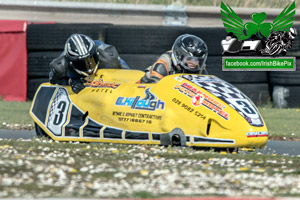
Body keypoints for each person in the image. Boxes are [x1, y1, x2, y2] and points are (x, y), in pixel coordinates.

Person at [49, 33, 129, 93]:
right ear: (71, 62)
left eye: (92, 60)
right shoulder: (61, 65)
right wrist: (71, 81)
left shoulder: (108, 56)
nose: (89, 67)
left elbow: (127, 72)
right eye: (81, 64)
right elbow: (52, 80)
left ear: (96, 54)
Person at [139, 34, 208, 83]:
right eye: (189, 59)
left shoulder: (200, 68)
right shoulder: (164, 62)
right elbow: (154, 87)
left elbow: (207, 84)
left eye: (197, 60)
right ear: (179, 55)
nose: (194, 63)